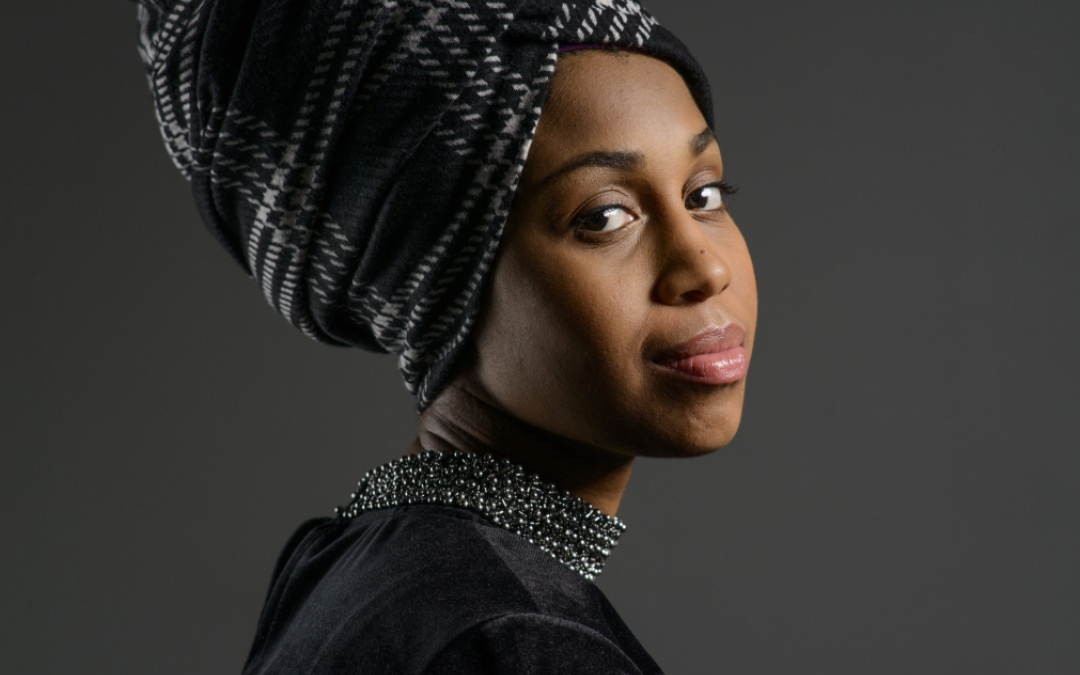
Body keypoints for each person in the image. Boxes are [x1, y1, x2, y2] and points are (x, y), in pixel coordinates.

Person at [137, 0, 755, 672]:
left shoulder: (347, 563)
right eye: (604, 217)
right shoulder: (514, 642)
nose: (706, 268)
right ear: (433, 278)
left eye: (703, 195)